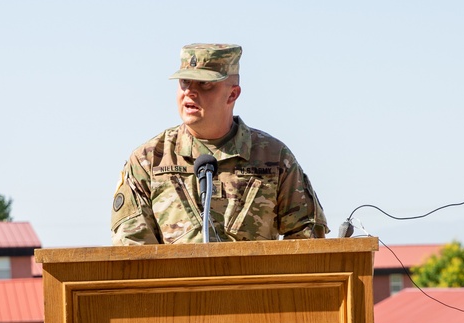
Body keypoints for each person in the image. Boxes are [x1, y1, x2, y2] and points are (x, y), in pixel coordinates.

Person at [111, 44, 328, 244]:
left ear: (232, 94)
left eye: (205, 84)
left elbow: (307, 235)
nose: (190, 92)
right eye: (185, 82)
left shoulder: (274, 157)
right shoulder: (149, 159)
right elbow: (132, 245)